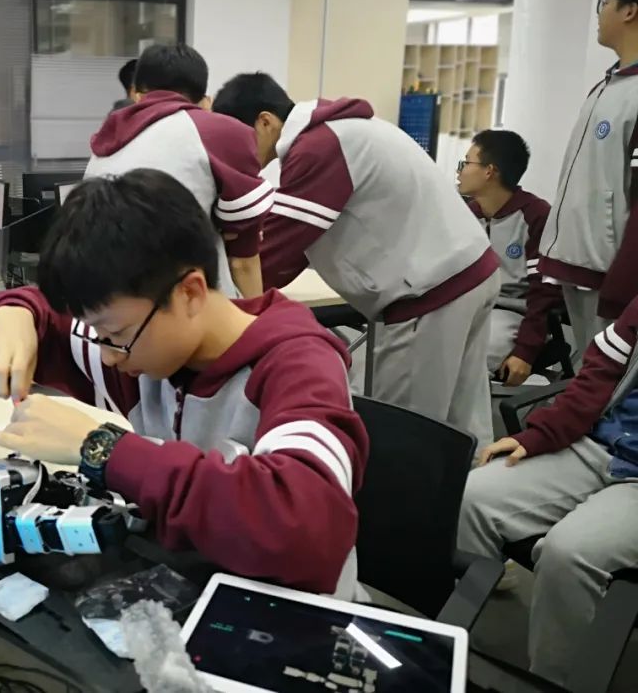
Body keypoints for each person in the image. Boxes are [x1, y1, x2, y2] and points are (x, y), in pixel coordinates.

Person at [0, 169, 368, 597]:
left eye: (115, 335)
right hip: (196, 591)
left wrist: (104, 449)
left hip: (295, 615)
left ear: (190, 293)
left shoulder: (299, 365)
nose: (107, 355)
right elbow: (49, 319)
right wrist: (13, 313)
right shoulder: (145, 350)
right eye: (100, 336)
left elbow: (305, 532)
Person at [213, 72, 500, 448]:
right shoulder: (344, 131)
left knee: (404, 434)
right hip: (470, 272)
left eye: (239, 139)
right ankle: (474, 486)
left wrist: (219, 301)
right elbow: (296, 236)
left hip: (431, 295)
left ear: (265, 121)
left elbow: (276, 251)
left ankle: (411, 489)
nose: (238, 154)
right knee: (463, 422)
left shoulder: (319, 148)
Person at [459, 294, 638, 687]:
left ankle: (553, 682)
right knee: (472, 497)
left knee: (569, 553)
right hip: (603, 444)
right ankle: (470, 655)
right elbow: (599, 376)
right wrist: (542, 433)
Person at [87, 44, 271, 299]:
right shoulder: (219, 131)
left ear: (137, 94)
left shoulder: (104, 142)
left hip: (106, 301)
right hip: (183, 304)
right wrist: (259, 320)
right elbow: (242, 260)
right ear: (204, 99)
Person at [540, 0, 638, 354]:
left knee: (607, 381)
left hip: (611, 277)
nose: (601, 12)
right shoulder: (609, 85)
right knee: (587, 375)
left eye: (607, 2)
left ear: (629, 10)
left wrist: (623, 283)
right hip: (580, 266)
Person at [457, 129, 561, 386]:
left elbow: (544, 294)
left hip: (512, 314)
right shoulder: (466, 215)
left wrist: (525, 350)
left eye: (466, 163)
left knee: (469, 360)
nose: (460, 171)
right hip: (469, 310)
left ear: (489, 171)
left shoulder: (536, 216)